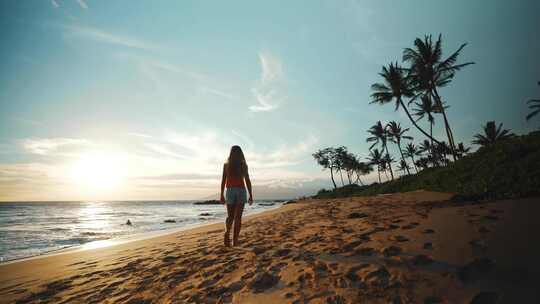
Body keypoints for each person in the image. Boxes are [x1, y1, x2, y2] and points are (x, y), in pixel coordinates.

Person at [220, 145, 253, 247]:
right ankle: (235, 242)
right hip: (241, 191)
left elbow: (223, 180)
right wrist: (251, 195)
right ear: (241, 153)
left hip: (230, 191)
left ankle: (227, 233)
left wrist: (221, 194)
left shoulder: (226, 165)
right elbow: (247, 180)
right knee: (238, 217)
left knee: (230, 216)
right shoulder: (243, 165)